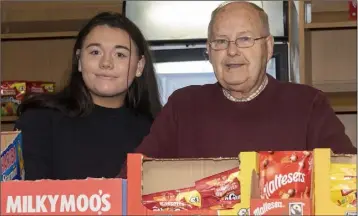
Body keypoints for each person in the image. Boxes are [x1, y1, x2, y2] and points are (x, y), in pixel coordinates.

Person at [118, 2, 356, 177]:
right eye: (220, 42)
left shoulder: (308, 104)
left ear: (268, 47)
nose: (232, 51)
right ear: (209, 52)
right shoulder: (183, 105)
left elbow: (346, 179)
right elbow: (134, 178)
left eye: (244, 39)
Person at [15, 11, 162, 180]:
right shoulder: (38, 120)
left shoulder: (156, 131)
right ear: (79, 60)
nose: (106, 63)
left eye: (120, 55)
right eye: (95, 52)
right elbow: (24, 199)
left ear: (139, 66)